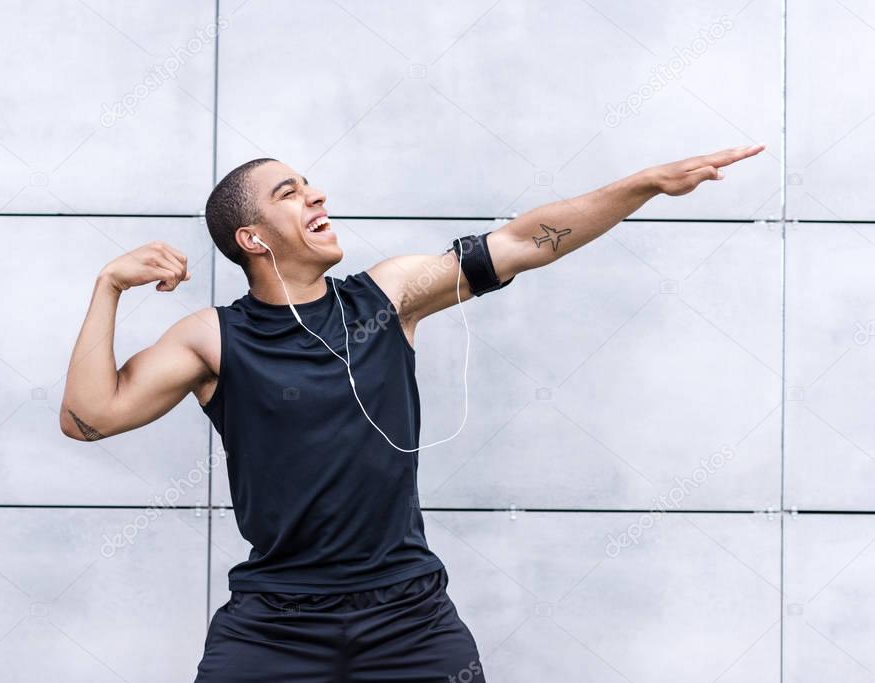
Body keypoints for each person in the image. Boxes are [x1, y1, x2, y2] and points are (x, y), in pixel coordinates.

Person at [59, 144, 764, 681]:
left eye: (310, 184)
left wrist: (640, 184)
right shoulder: (212, 336)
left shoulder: (385, 297)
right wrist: (108, 285)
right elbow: (88, 416)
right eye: (289, 192)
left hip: (408, 616)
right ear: (252, 236)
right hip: (272, 625)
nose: (315, 195)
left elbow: (524, 238)